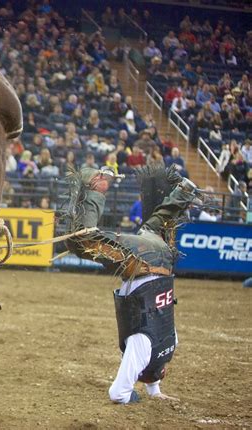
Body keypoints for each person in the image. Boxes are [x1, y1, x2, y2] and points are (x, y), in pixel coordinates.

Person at [64, 165, 205, 404]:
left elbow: (155, 366)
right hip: (145, 261)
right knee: (83, 241)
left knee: (151, 226)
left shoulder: (167, 342)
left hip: (156, 255)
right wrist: (135, 395)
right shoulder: (142, 347)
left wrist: (156, 391)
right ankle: (95, 187)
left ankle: (183, 191)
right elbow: (118, 394)